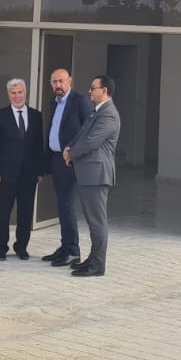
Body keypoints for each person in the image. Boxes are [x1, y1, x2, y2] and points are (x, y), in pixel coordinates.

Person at [64, 74, 120, 278]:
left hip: (97, 174)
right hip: (88, 173)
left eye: (93, 88)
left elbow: (91, 141)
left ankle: (97, 264)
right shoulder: (97, 111)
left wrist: (71, 154)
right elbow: (82, 134)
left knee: (97, 221)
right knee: (91, 220)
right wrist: (69, 146)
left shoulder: (109, 114)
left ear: (104, 90)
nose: (89, 91)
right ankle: (92, 259)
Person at [0, 78, 45, 261]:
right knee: (4, 212)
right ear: (8, 94)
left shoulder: (36, 116)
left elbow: (39, 146)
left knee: (25, 213)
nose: (17, 96)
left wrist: (40, 171)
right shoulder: (0, 116)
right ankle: (1, 248)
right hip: (5, 174)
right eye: (13, 93)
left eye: (20, 92)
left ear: (25, 93)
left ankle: (21, 247)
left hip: (29, 174)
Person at [43, 68, 93, 267]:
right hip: (57, 160)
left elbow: (89, 131)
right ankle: (65, 246)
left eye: (61, 81)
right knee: (62, 206)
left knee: (68, 206)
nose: (58, 85)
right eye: (54, 82)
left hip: (72, 161)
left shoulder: (80, 101)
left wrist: (74, 153)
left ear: (69, 81)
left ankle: (73, 250)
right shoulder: (54, 103)